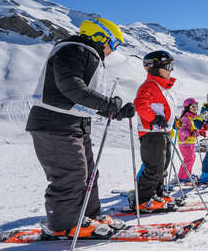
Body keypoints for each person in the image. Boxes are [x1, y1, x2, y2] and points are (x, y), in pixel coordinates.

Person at [27, 17, 135, 238]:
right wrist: (108, 104)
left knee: (89, 175)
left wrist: (116, 110)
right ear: (99, 36)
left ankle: (89, 217)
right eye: (113, 44)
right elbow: (71, 87)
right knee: (71, 175)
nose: (113, 51)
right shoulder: (72, 50)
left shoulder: (86, 54)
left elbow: (81, 98)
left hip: (73, 124)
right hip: (54, 124)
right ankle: (64, 225)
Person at [134, 50, 177, 209]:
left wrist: (174, 121)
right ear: (155, 68)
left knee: (163, 166)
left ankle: (157, 193)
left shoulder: (162, 87)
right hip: (151, 133)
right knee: (154, 167)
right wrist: (153, 118)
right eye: (168, 66)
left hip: (162, 132)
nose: (170, 70)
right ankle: (143, 200)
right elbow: (140, 105)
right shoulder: (149, 86)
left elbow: (165, 109)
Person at [177, 98, 207, 182]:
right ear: (187, 108)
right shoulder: (184, 118)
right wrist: (190, 133)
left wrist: (200, 132)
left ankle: (187, 174)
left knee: (192, 158)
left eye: (196, 106)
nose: (195, 108)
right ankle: (182, 177)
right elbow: (181, 130)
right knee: (189, 159)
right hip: (185, 142)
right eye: (192, 106)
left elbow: (194, 129)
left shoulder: (193, 118)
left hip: (191, 142)